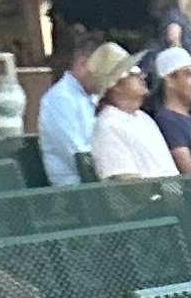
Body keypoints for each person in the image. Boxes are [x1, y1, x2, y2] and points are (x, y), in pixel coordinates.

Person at [85, 45, 178, 179]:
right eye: (132, 71)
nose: (142, 74)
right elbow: (126, 183)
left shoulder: (143, 118)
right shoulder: (108, 125)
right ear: (115, 85)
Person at [36, 27, 97, 186]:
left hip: (100, 183)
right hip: (75, 189)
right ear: (82, 63)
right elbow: (79, 155)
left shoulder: (93, 96)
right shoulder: (60, 99)